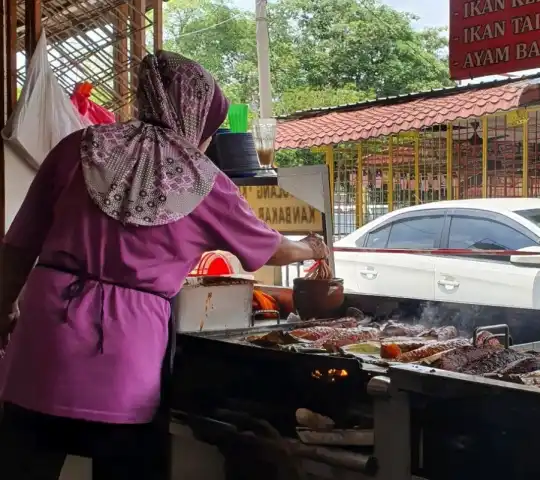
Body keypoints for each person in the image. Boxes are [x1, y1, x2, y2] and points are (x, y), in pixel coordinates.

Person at [0, 51, 328, 479]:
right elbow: (269, 251)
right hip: (125, 359)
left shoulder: (78, 147)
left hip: (42, 343)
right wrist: (311, 248)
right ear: (195, 117)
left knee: (23, 464)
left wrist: (6, 307)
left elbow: (18, 245)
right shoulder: (203, 180)